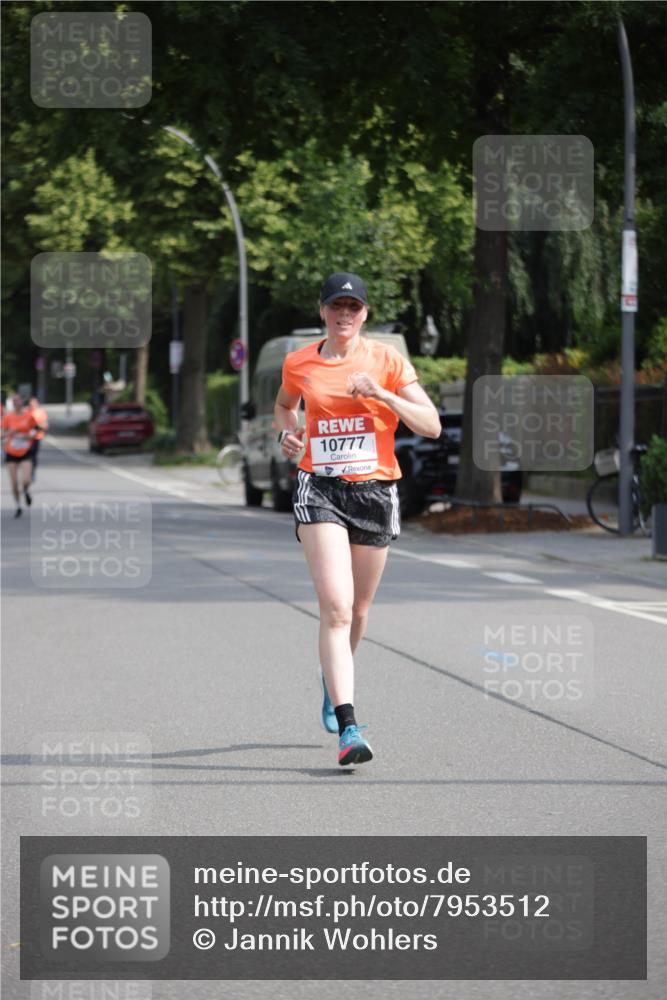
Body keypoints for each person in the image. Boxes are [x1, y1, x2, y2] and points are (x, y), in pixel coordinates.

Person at [274, 272, 441, 766]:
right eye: (336, 306)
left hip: (375, 491)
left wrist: (383, 395)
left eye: (353, 307)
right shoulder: (298, 362)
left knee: (360, 611)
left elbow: (429, 425)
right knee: (337, 607)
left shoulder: (387, 360)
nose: (344, 314)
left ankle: (333, 679)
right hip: (319, 487)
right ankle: (349, 725)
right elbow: (285, 407)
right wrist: (289, 435)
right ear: (322, 311)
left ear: (364, 314)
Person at [2, 394, 39, 517]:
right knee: (13, 482)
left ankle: (26, 490)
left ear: (22, 402)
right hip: (11, 451)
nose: (17, 403)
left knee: (26, 479)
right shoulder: (8, 417)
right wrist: (8, 433)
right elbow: (2, 434)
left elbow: (36, 430)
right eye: (15, 401)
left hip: (25, 451)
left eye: (19, 401)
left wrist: (29, 435)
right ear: (13, 403)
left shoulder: (28, 416)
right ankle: (18, 505)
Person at [27, 397, 49, 482]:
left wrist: (37, 426)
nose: (32, 406)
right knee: (26, 456)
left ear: (37, 404)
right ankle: (26, 472)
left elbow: (45, 425)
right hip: (26, 438)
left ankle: (32, 472)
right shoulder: (26, 413)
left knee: (33, 456)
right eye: (30, 404)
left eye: (33, 404)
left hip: (37, 437)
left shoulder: (41, 413)